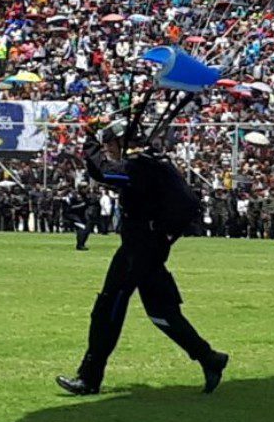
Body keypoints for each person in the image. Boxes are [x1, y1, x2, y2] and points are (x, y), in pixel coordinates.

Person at [57, 119, 228, 396]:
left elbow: (107, 173)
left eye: (109, 144)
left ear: (121, 141)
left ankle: (89, 377)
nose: (108, 150)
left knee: (109, 307)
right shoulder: (153, 161)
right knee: (162, 313)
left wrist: (89, 142)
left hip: (140, 248)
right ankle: (210, 358)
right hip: (148, 246)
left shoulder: (140, 164)